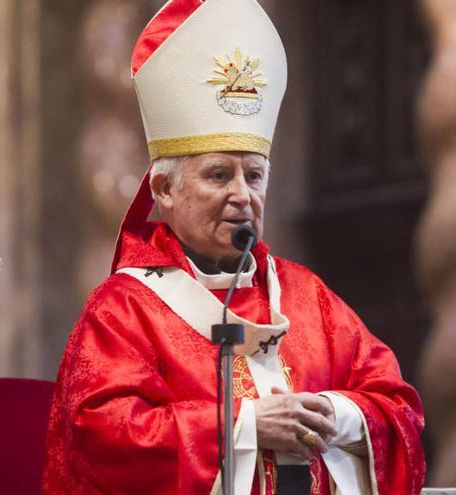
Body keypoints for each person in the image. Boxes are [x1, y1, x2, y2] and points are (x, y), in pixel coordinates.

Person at [41, 0, 425, 493]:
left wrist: (335, 414)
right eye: (219, 174)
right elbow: (102, 439)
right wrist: (245, 424)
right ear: (164, 191)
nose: (242, 195)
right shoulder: (123, 311)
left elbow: (399, 410)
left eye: (255, 175)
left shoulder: (309, 299)